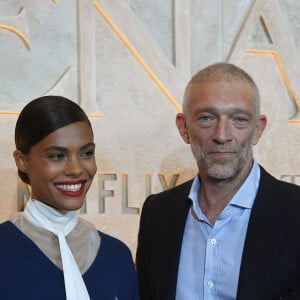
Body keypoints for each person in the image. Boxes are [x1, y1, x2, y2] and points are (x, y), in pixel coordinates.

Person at [136, 62, 300, 300]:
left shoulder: (296, 212)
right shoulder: (157, 214)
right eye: (206, 118)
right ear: (183, 128)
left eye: (239, 119)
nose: (222, 136)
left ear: (258, 129)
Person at [0, 95, 139, 299]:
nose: (76, 170)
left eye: (86, 153)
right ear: (22, 161)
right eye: (57, 156)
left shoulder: (116, 256)